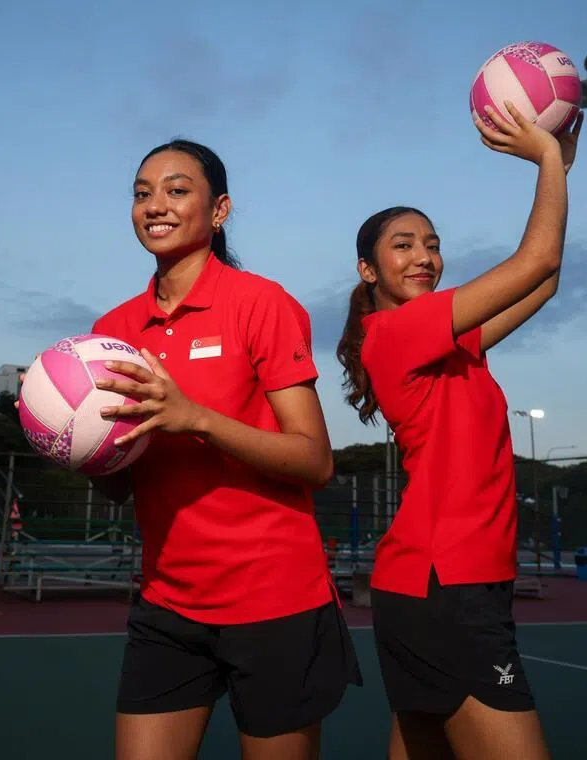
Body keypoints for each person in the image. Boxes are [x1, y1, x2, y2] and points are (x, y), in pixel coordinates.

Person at [89, 138, 362, 760]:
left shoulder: (260, 304)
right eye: (142, 193)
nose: (155, 204)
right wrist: (74, 444)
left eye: (177, 190)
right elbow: (120, 480)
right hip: (168, 601)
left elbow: (314, 460)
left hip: (274, 600)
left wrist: (196, 418)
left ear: (220, 211)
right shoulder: (112, 332)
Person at [334, 102, 582, 760]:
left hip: (431, 587)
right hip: (448, 587)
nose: (425, 256)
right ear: (368, 271)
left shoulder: (449, 344)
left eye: (433, 243)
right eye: (404, 245)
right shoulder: (401, 331)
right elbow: (535, 259)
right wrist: (547, 158)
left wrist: (560, 171)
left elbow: (546, 282)